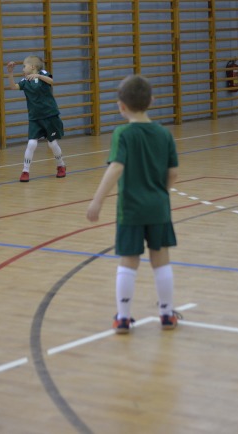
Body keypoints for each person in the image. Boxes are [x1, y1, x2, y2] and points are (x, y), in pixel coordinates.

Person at [86, 75, 180, 334]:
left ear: (121, 106)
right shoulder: (164, 134)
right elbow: (173, 174)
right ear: (152, 101)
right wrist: (160, 193)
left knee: (129, 261)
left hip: (130, 209)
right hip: (158, 207)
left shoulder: (123, 133)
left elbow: (116, 167)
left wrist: (97, 201)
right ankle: (167, 314)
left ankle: (124, 318)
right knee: (161, 259)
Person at [6, 56, 67, 182]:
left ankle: (61, 165)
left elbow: (51, 81)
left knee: (52, 143)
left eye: (24, 66)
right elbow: (13, 87)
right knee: (31, 143)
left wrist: (38, 76)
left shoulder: (43, 74)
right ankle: (25, 171)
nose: (23, 69)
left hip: (50, 116)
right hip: (35, 118)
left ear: (33, 67)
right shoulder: (25, 81)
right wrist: (10, 73)